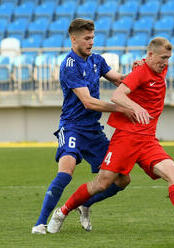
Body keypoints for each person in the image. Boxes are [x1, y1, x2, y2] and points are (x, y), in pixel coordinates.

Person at [47, 37, 174, 235]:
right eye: (163, 57)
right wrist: (136, 107)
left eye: (169, 58)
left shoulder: (157, 67)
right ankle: (62, 212)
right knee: (103, 183)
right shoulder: (141, 72)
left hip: (147, 140)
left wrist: (144, 62)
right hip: (126, 138)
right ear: (151, 55)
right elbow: (117, 96)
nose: (166, 62)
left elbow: (150, 63)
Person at [32, 18, 137, 234]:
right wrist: (121, 108)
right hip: (72, 127)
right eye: (87, 38)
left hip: (93, 131)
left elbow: (119, 79)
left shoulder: (97, 60)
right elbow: (88, 102)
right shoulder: (69, 65)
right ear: (74, 39)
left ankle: (86, 203)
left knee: (122, 179)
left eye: (93, 38)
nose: (91, 42)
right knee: (66, 172)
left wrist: (137, 74)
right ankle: (40, 223)